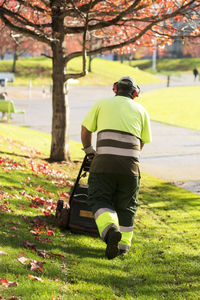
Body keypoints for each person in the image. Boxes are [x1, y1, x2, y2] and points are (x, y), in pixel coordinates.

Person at [81, 76, 152, 259]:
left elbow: (85, 130)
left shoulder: (101, 104)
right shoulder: (141, 111)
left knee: (99, 199)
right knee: (127, 205)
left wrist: (90, 151)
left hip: (103, 164)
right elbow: (142, 142)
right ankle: (123, 247)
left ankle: (110, 230)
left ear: (115, 89)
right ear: (135, 93)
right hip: (130, 167)